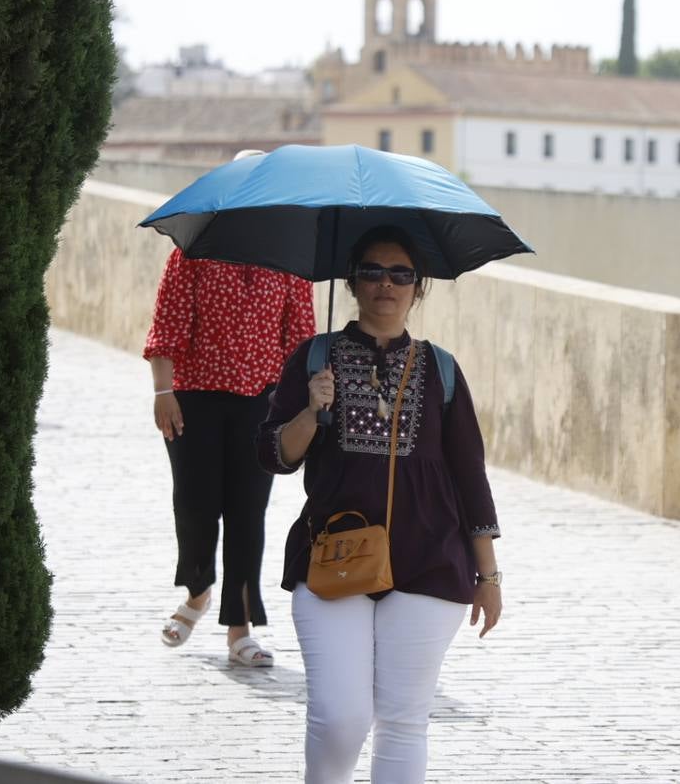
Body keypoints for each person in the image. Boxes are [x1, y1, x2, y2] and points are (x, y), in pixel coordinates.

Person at [256, 225, 502, 784]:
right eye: (371, 271)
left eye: (400, 274)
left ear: (418, 287)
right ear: (351, 281)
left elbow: (470, 475)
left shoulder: (440, 368)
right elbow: (275, 456)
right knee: (341, 718)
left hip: (431, 562)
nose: (385, 284)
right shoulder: (316, 358)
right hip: (333, 557)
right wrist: (311, 410)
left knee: (403, 721)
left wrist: (488, 575)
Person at [144, 150, 317, 666]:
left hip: (261, 407)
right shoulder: (193, 251)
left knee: (248, 514)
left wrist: (298, 405)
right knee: (195, 506)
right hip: (194, 400)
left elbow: (299, 339)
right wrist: (162, 391)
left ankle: (239, 629)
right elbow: (167, 324)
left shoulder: (289, 262)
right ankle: (198, 591)